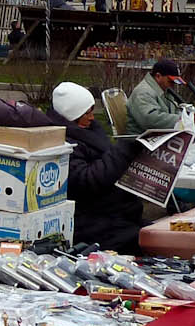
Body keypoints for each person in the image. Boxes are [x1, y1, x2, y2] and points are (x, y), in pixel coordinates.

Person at [48, 82, 145, 252]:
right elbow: (87, 180)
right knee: (145, 239)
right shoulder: (63, 144)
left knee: (158, 234)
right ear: (73, 114)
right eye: (87, 112)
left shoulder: (88, 131)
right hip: (92, 221)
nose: (92, 117)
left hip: (115, 213)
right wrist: (123, 150)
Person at [127, 57, 187, 133]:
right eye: (170, 82)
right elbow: (150, 120)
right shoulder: (143, 92)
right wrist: (182, 120)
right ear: (158, 76)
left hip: (157, 138)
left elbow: (175, 111)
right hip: (139, 140)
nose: (173, 86)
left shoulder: (164, 92)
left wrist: (187, 117)